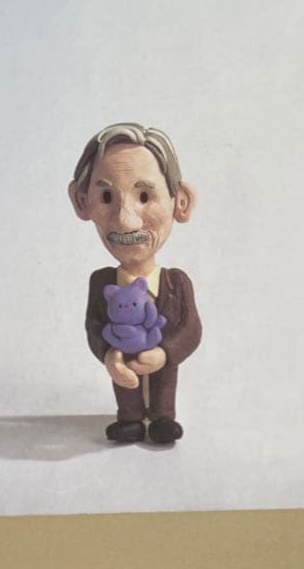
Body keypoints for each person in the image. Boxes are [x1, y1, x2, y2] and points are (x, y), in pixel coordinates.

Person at [68, 122, 201, 444]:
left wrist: (165, 353)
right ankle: (129, 419)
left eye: (144, 196)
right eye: (106, 197)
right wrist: (109, 355)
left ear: (181, 201)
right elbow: (94, 326)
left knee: (164, 388)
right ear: (82, 201)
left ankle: (162, 419)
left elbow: (191, 329)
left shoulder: (176, 283)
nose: (125, 220)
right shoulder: (102, 283)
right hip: (124, 370)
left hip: (163, 370)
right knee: (126, 388)